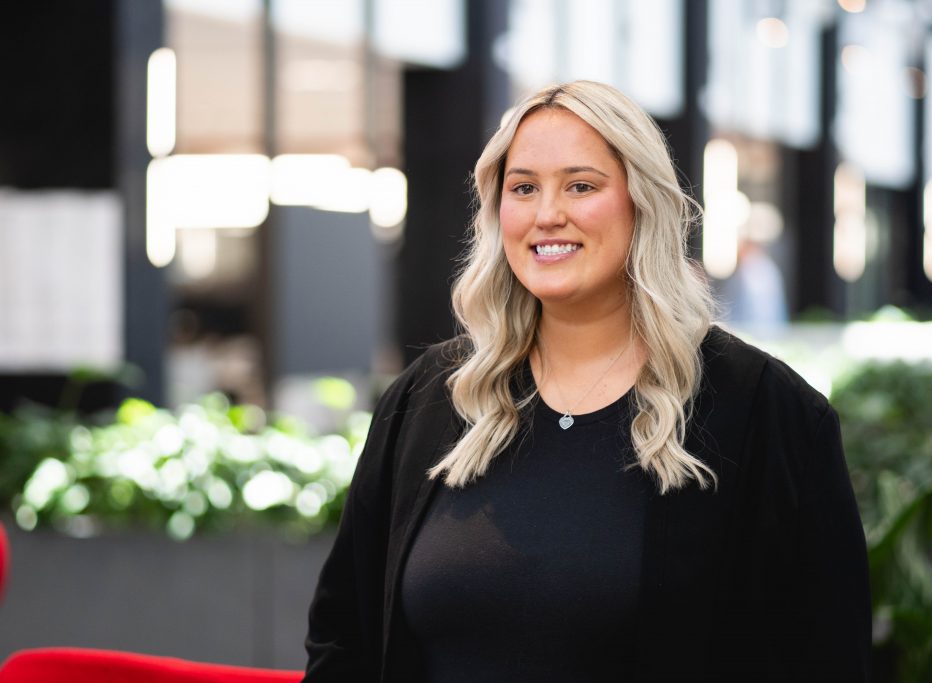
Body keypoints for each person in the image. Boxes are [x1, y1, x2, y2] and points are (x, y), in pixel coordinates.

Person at [303, 81, 871, 682]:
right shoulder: (430, 397)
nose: (548, 214)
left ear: (641, 201)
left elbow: (827, 657)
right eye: (523, 188)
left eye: (581, 185)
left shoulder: (766, 412)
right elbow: (345, 636)